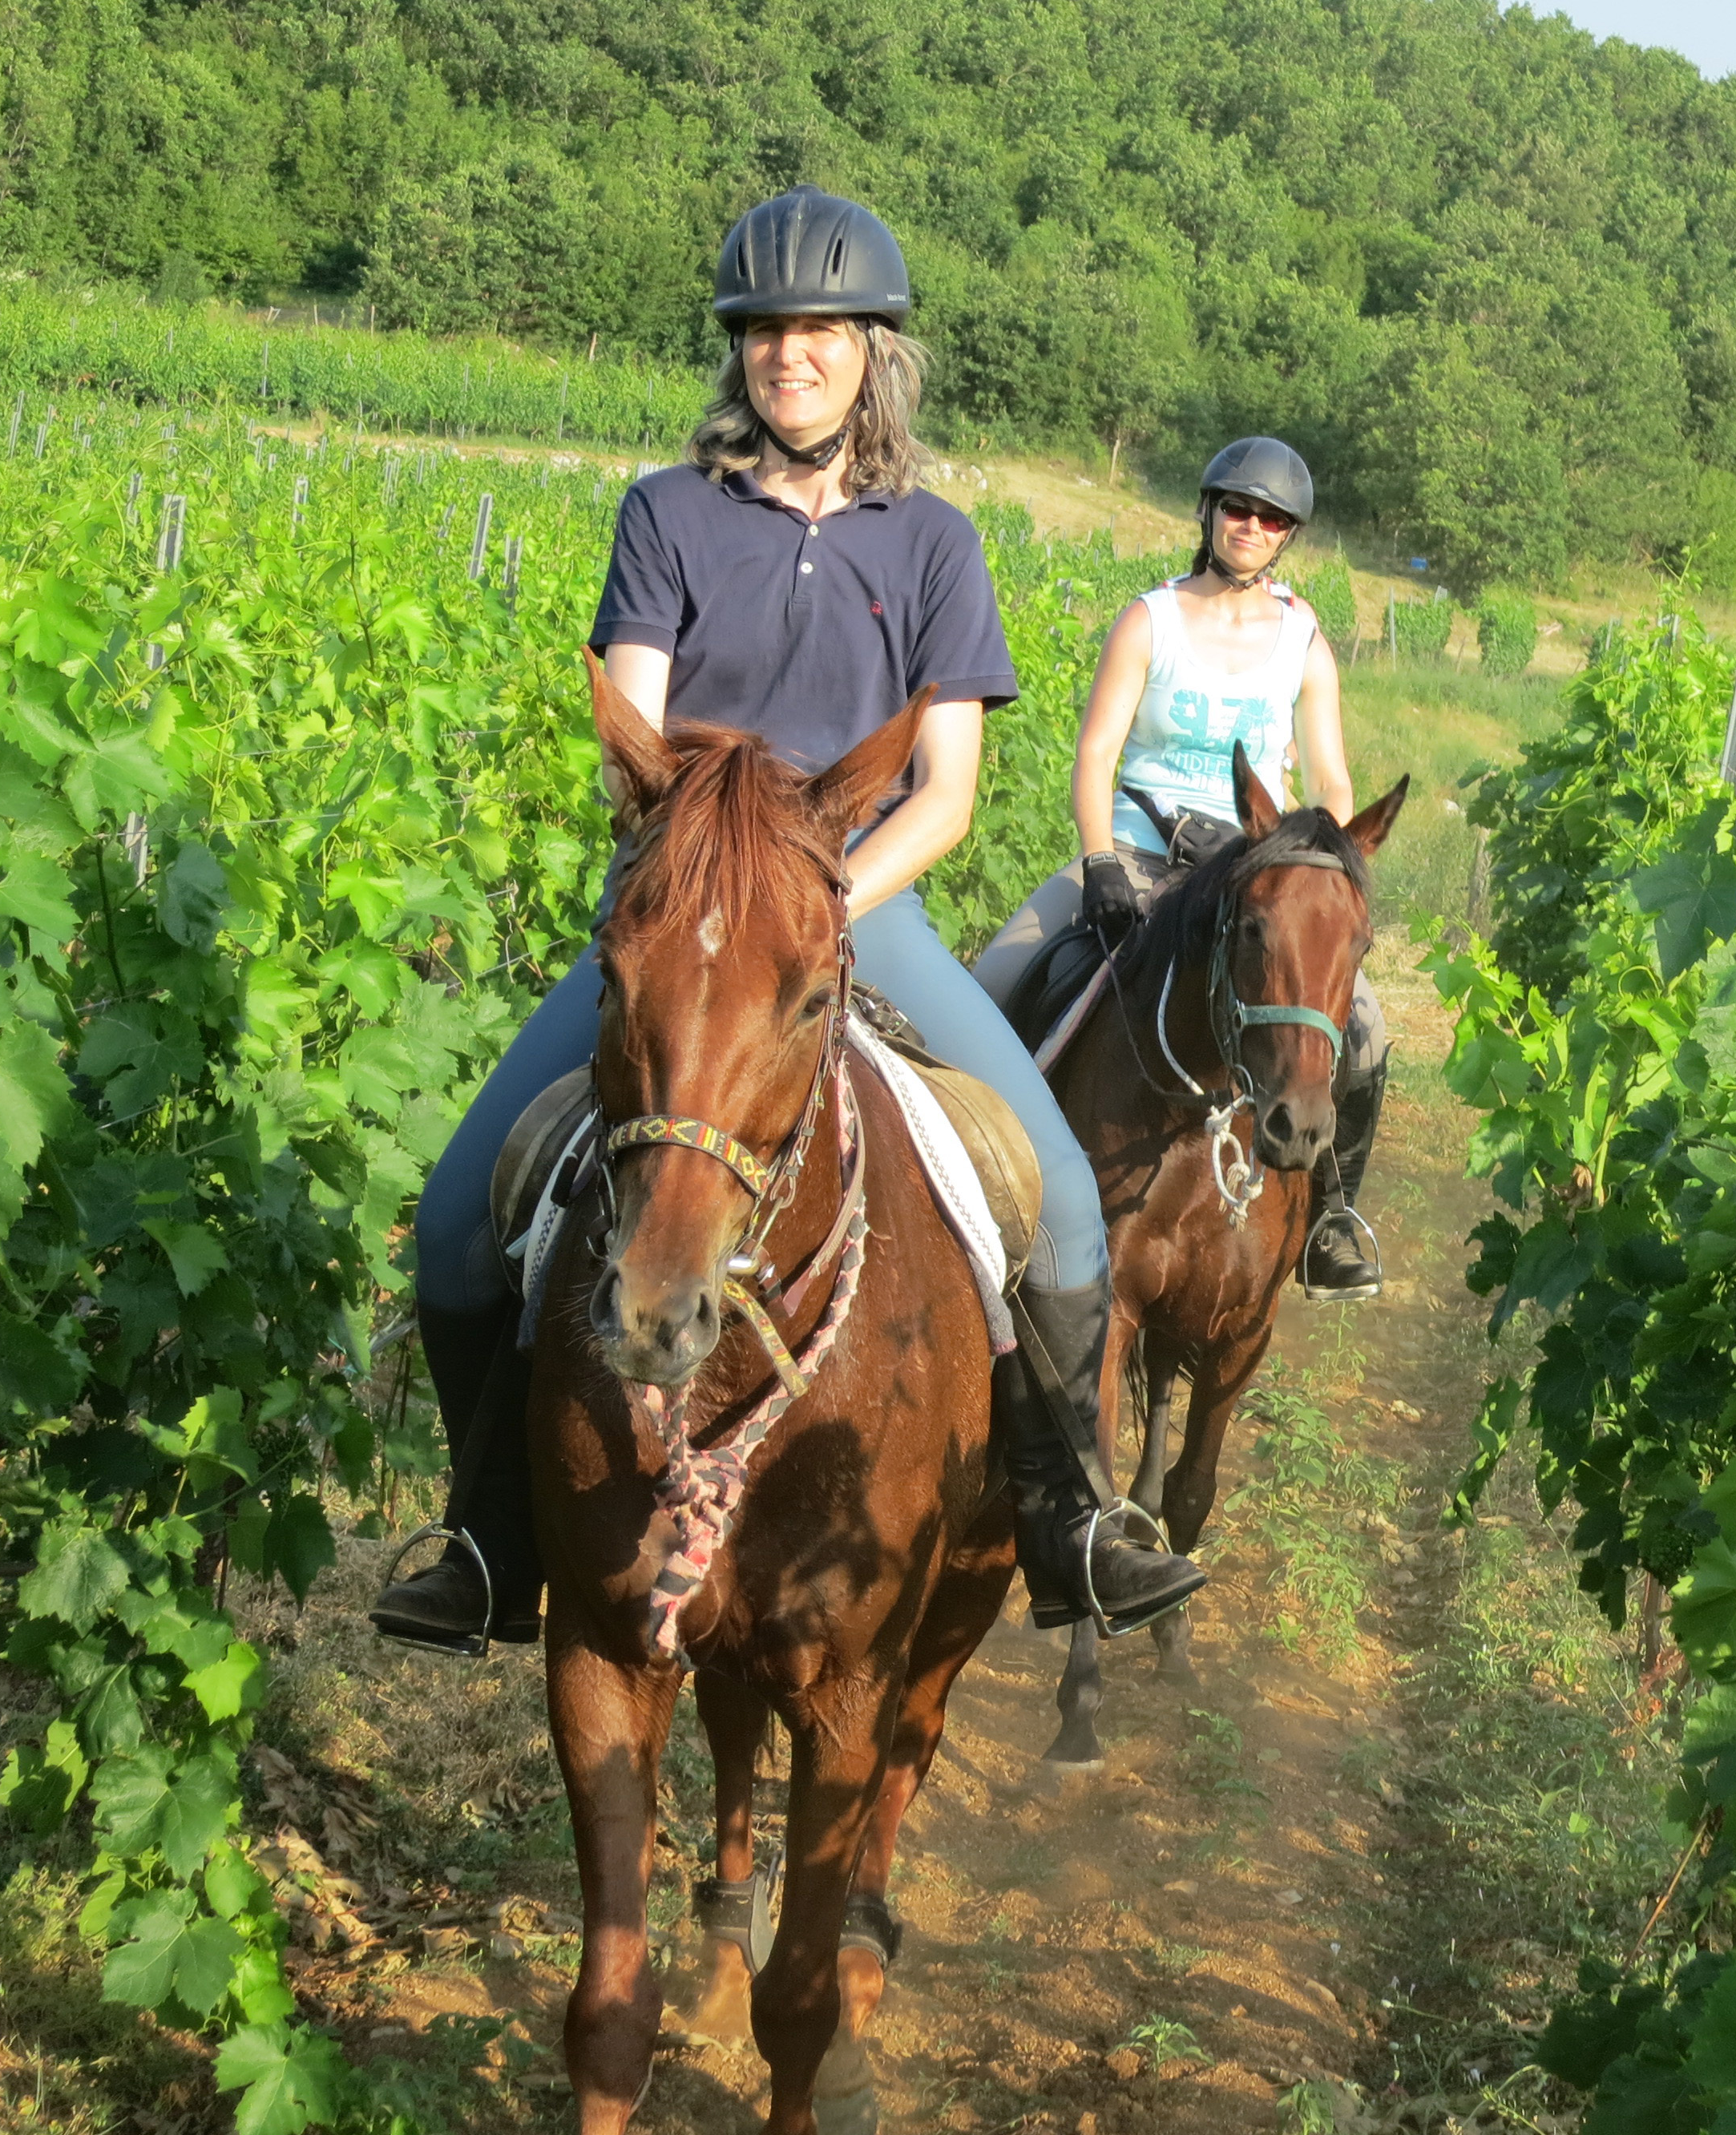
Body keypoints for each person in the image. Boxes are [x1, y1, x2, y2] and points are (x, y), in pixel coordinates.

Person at [369, 185, 1206, 1653]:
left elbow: (944, 793)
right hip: (688, 930)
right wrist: (714, 898)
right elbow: (632, 734)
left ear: (875, 350)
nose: (787, 354)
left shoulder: (934, 542)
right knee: (455, 1216)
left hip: (860, 914)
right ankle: (495, 1534)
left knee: (1060, 1203)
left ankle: (1067, 1518)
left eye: (819, 329)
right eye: (762, 330)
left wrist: (816, 906)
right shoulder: (669, 514)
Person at [972, 437, 1391, 1301]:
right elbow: (1095, 755)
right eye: (1238, 508)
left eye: (1271, 517)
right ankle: (981, 1197)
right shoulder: (1150, 620)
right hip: (1137, 849)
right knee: (994, 979)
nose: (1251, 525)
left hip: (1258, 871)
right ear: (1208, 514)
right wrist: (1098, 862)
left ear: (1287, 536)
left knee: (1368, 1032)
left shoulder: (1303, 639)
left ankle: (1330, 1215)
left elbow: (1331, 778)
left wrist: (1329, 868)